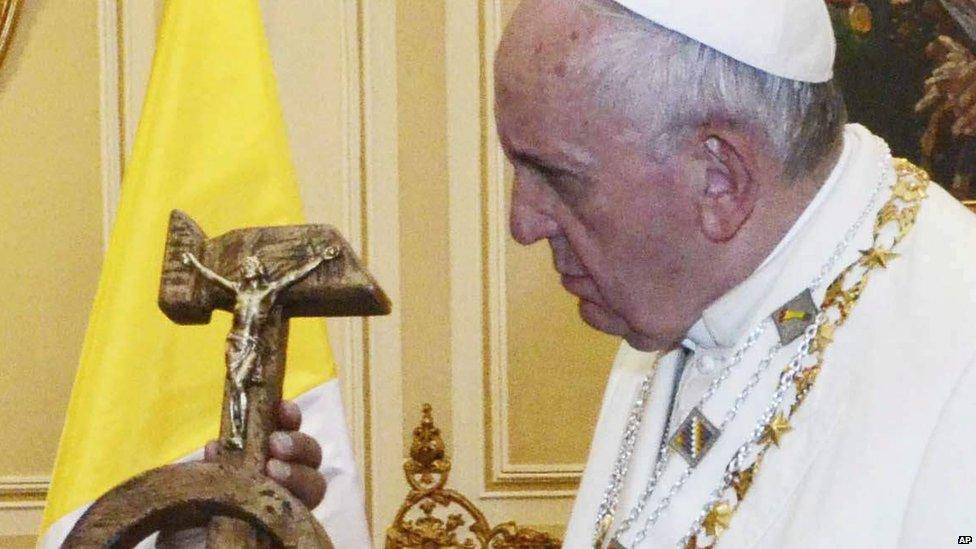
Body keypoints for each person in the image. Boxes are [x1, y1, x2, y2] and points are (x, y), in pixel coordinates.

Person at [268, 0, 976, 547]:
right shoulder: (690, 300)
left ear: (720, 180)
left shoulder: (956, 365)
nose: (523, 224)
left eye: (558, 178)